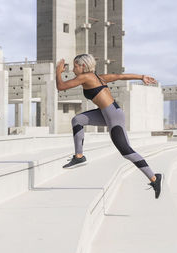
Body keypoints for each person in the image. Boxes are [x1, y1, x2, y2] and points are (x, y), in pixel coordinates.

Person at [56, 54, 163, 199]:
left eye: (75, 66)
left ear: (82, 66)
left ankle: (154, 178)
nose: (73, 69)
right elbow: (119, 76)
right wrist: (141, 76)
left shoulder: (86, 77)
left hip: (113, 116)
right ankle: (79, 156)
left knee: (126, 151)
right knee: (78, 120)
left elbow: (61, 86)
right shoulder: (98, 77)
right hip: (109, 113)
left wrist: (58, 71)